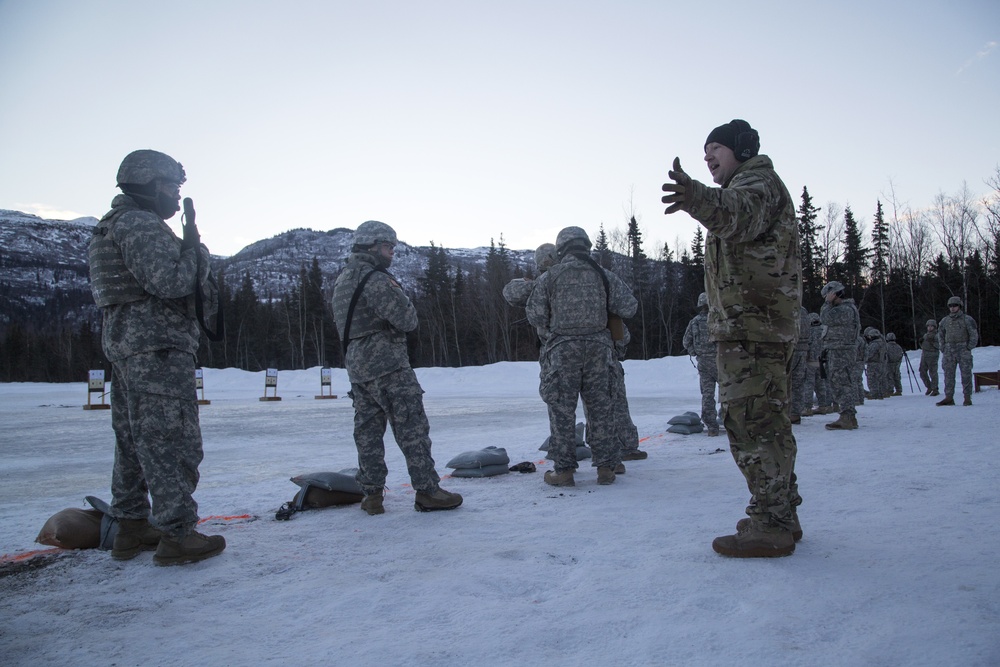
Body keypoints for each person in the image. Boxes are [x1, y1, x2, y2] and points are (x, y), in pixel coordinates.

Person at [661, 118, 802, 557]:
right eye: (705, 151)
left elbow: (736, 215)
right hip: (751, 329)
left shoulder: (758, 183)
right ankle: (779, 513)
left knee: (754, 424)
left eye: (715, 148)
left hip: (754, 330)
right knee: (764, 423)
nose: (707, 157)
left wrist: (697, 197)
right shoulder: (753, 184)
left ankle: (772, 523)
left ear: (742, 147)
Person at [87, 149, 225, 565]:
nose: (173, 194)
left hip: (131, 349)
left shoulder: (112, 226)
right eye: (170, 187)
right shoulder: (139, 226)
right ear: (148, 184)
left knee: (133, 442)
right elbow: (170, 281)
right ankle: (177, 534)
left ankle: (131, 527)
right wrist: (195, 251)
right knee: (173, 441)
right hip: (158, 349)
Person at [332, 221, 462, 513]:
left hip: (357, 366)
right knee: (411, 427)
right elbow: (407, 320)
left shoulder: (343, 279)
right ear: (371, 246)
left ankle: (372, 496)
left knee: (367, 432)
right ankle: (428, 491)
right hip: (387, 363)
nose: (391, 253)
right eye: (388, 247)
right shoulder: (376, 279)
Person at [526, 226, 637, 486]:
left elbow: (536, 316)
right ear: (586, 246)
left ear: (561, 248)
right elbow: (629, 307)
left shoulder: (550, 276)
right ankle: (606, 468)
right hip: (600, 350)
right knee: (601, 409)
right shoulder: (604, 276)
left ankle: (564, 471)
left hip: (562, 351)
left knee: (562, 411)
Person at [819, 281, 861, 430]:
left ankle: (847, 416)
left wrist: (827, 304)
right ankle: (848, 416)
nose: (826, 299)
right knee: (841, 382)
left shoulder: (844, 309)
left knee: (841, 383)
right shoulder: (846, 308)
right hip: (839, 350)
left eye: (828, 296)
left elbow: (824, 318)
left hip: (841, 352)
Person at [681, 292, 720, 436]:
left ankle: (711, 427)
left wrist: (695, 352)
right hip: (720, 361)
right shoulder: (719, 319)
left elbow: (686, 342)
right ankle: (732, 422)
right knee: (728, 393)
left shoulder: (695, 321)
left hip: (703, 363)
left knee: (707, 395)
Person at [936, 295, 978, 406]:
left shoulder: (967, 319)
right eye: (950, 306)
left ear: (959, 306)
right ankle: (949, 397)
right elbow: (940, 334)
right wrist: (943, 347)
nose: (953, 308)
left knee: (966, 374)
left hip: (963, 349)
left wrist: (969, 347)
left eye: (955, 305)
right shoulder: (945, 321)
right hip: (949, 351)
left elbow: (973, 334)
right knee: (948, 375)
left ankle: (967, 397)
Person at [788, 306, 811, 424]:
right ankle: (795, 413)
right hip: (801, 349)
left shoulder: (792, 309)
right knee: (798, 382)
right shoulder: (803, 310)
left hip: (792, 348)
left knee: (790, 381)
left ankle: (791, 412)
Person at [863, 328, 889, 400]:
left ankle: (874, 394)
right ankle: (880, 393)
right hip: (881, 363)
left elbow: (869, 354)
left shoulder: (874, 344)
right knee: (879, 379)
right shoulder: (883, 343)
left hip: (873, 364)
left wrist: (863, 359)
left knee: (872, 379)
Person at [919, 319, 940, 396]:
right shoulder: (926, 335)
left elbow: (939, 346)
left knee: (933, 372)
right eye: (928, 326)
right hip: (924, 354)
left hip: (933, 355)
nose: (930, 328)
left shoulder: (937, 335)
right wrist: (921, 343)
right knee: (922, 371)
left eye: (931, 326)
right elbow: (924, 346)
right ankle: (929, 386)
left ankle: (935, 388)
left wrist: (932, 342)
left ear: (934, 327)